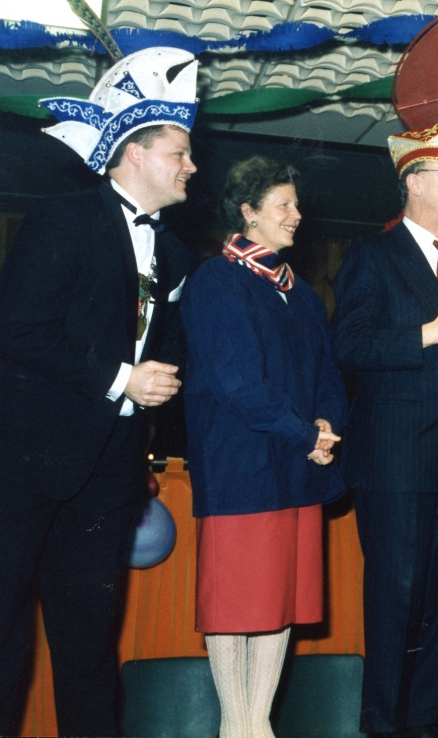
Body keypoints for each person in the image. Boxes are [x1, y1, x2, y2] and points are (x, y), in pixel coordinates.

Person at [0, 47, 198, 736]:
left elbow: (162, 348)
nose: (192, 166)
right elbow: (17, 328)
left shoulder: (176, 253)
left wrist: (162, 379)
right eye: (180, 152)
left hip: (109, 474)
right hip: (25, 467)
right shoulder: (63, 219)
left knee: (89, 648)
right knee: (4, 638)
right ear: (134, 154)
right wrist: (122, 378)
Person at [332, 109, 438, 738]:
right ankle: (382, 727)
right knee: (396, 603)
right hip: (395, 461)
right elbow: (348, 344)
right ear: (415, 182)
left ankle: (422, 726)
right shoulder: (372, 254)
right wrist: (430, 333)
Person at [180, 157, 347, 738]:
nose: (297, 215)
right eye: (284, 205)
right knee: (235, 605)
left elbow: (328, 374)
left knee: (280, 602)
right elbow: (238, 384)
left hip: (296, 463)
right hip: (241, 466)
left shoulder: (299, 292)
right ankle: (237, 725)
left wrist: (326, 425)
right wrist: (307, 435)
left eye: (296, 204)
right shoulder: (216, 281)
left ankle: (260, 724)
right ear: (248, 213)